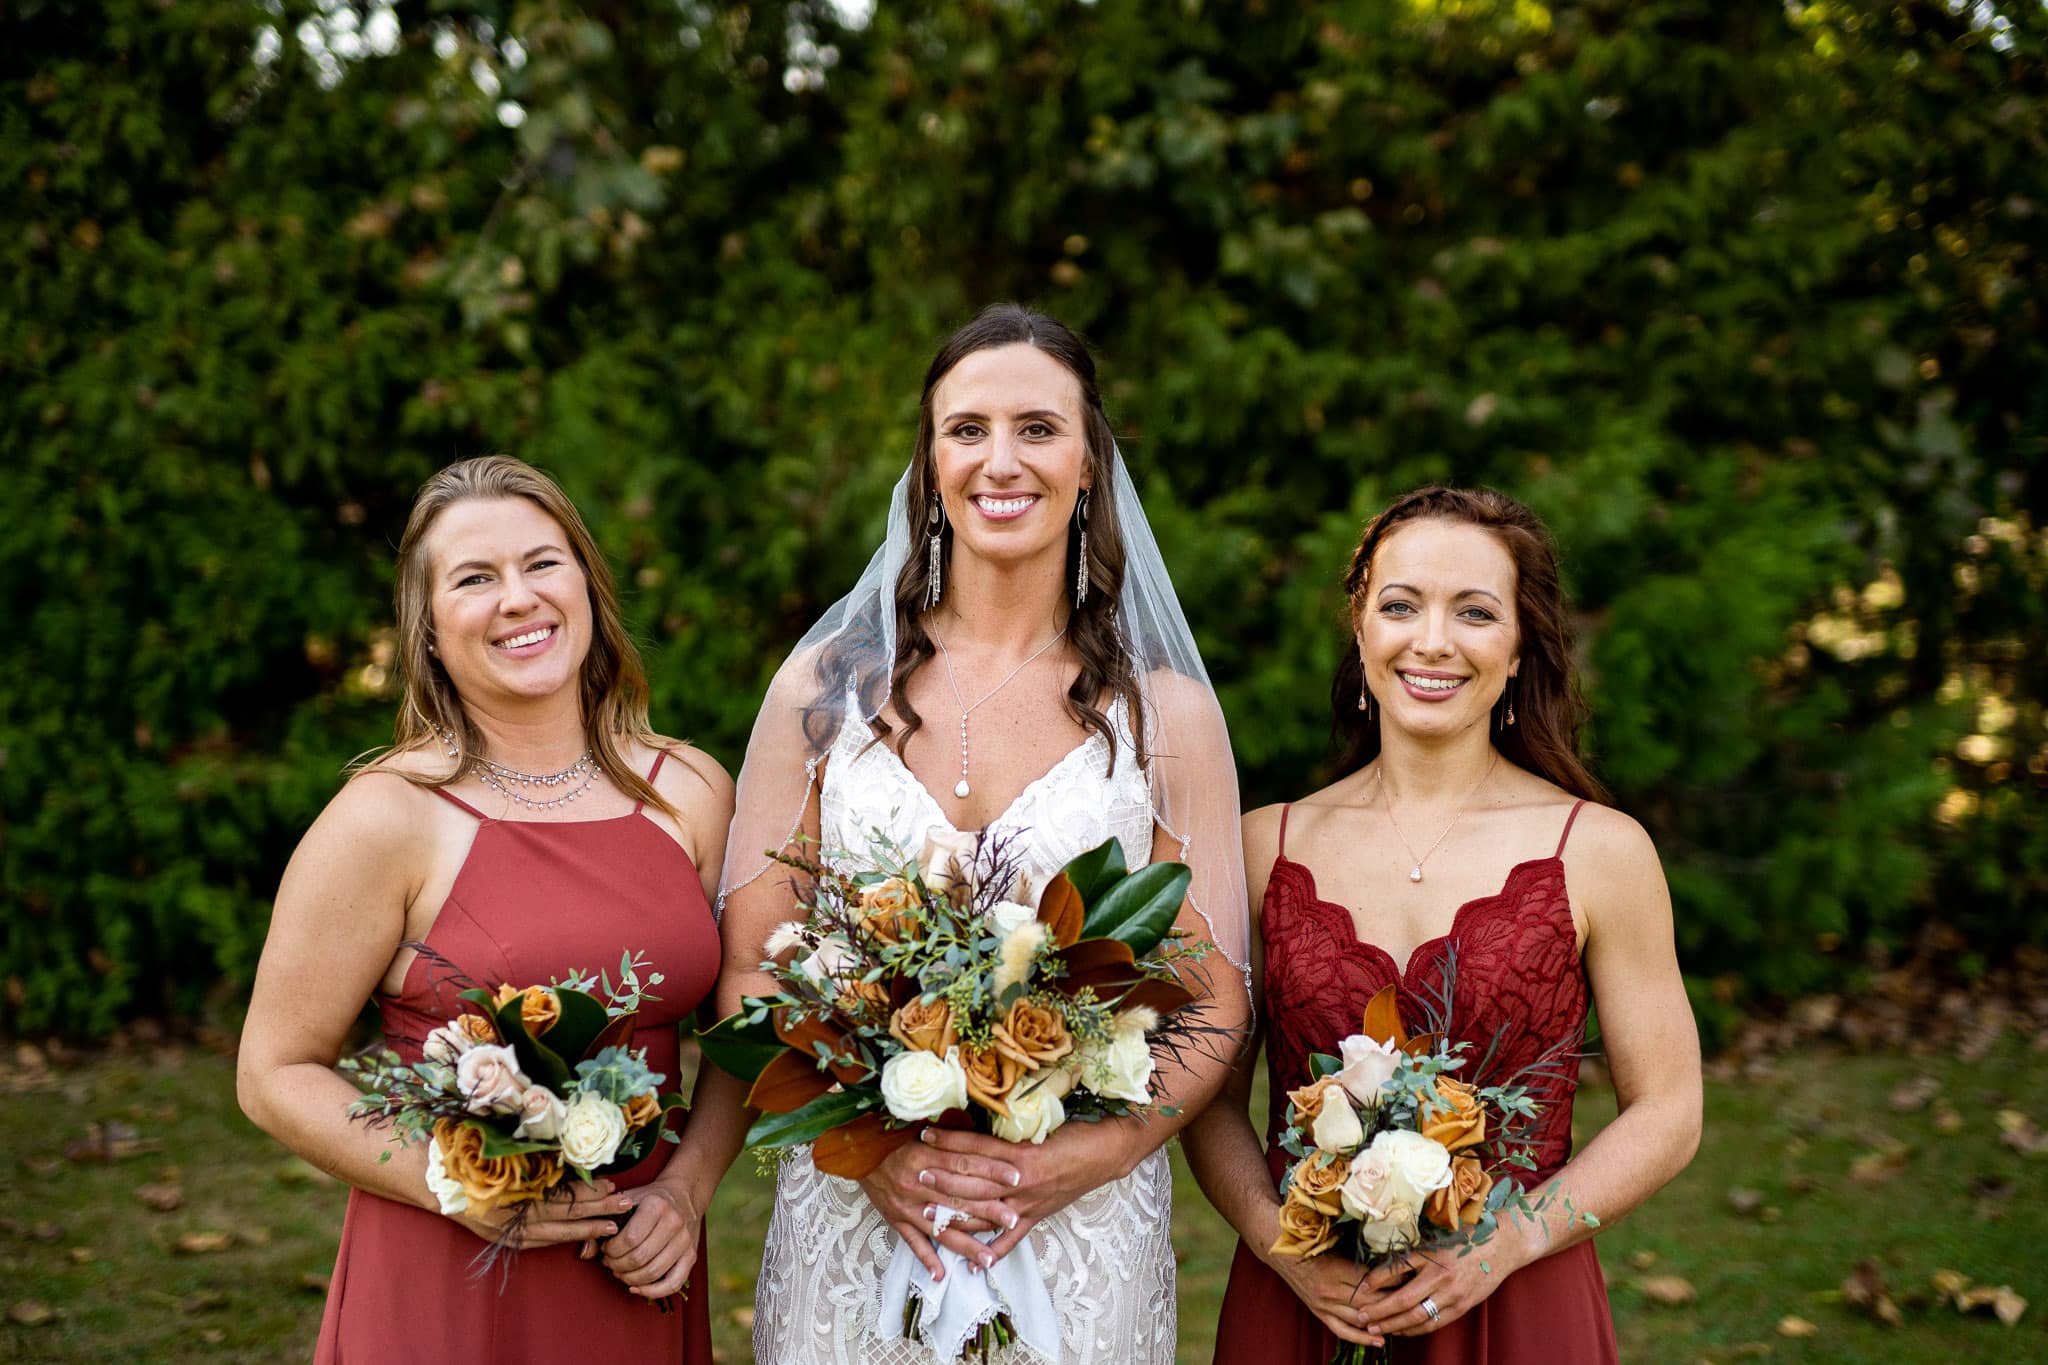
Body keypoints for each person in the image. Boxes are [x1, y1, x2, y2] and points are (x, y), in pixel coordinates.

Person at [701, 303, 1252, 1363]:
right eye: (967, 430)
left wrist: (1088, 1157)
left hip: (1076, 1229)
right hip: (857, 1218)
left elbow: (1215, 999)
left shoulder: (1164, 715)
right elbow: (752, 969)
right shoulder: (823, 691)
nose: (1001, 461)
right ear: (929, 466)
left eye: (1038, 428)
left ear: (1088, 466)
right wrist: (867, 1151)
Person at [1186, 486, 1702, 1363]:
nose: (1432, 640)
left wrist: (1510, 1242)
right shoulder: (1262, 846)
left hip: (1518, 1303)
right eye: (1401, 606)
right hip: (1305, 1301)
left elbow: (1670, 1109)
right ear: (1361, 630)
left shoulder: (1599, 851)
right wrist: (1285, 1248)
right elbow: (1211, 1100)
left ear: (1519, 646)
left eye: (1474, 611)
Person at [236, 455, 731, 1362]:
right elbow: (273, 1072)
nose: (518, 598)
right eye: (474, 578)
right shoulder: (386, 818)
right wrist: (456, 1184)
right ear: (427, 631)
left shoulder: (690, 791)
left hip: (638, 1269)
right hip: (447, 1276)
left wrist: (687, 1189)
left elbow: (744, 1033)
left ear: (587, 586)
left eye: (542, 563)